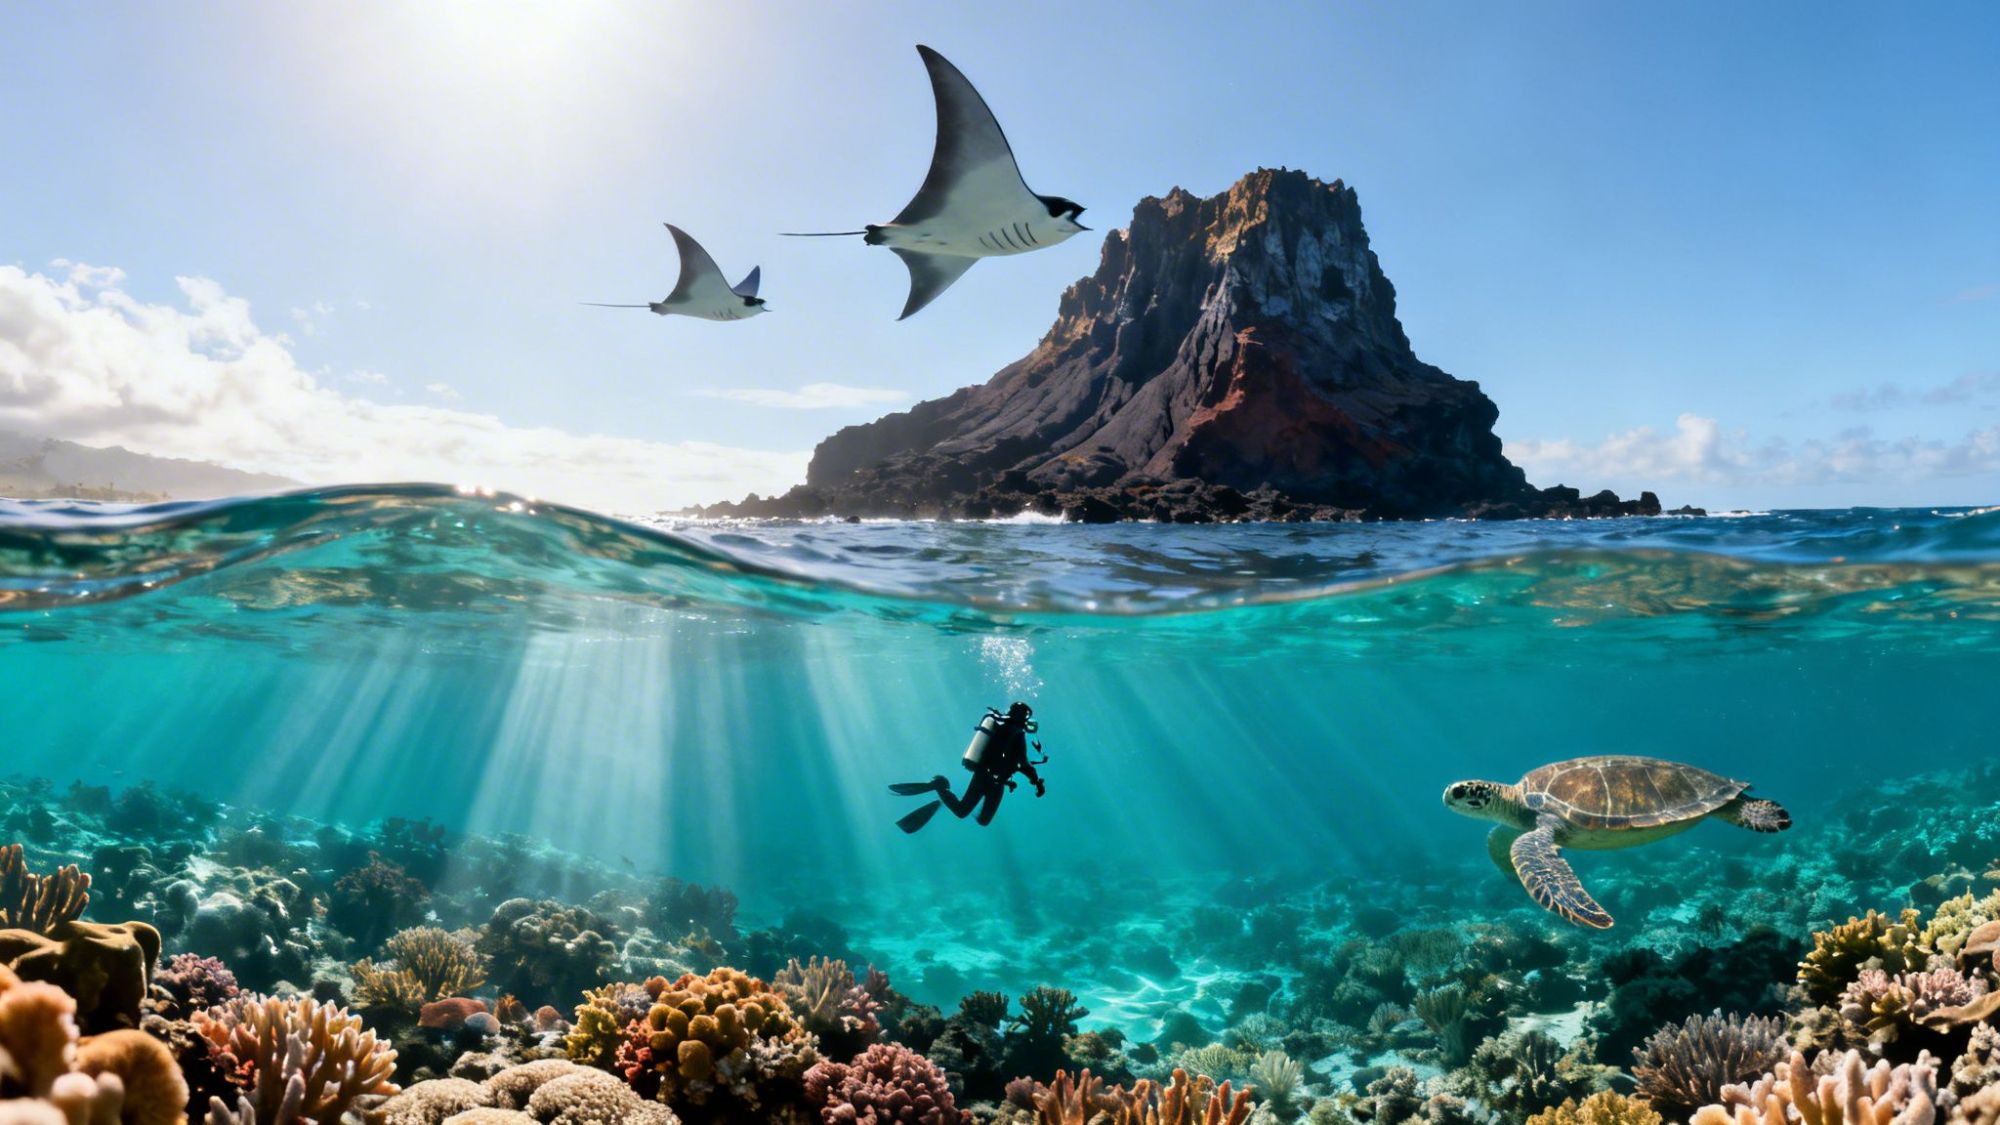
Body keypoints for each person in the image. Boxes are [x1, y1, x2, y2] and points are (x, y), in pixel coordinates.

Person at [890, 701, 1046, 833]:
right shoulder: (1016, 733)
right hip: (991, 780)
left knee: (968, 813)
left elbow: (1010, 760)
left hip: (988, 778)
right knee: (973, 816)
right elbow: (1022, 762)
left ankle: (942, 791)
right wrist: (1036, 781)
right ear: (1022, 716)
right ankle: (939, 787)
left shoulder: (1002, 728)